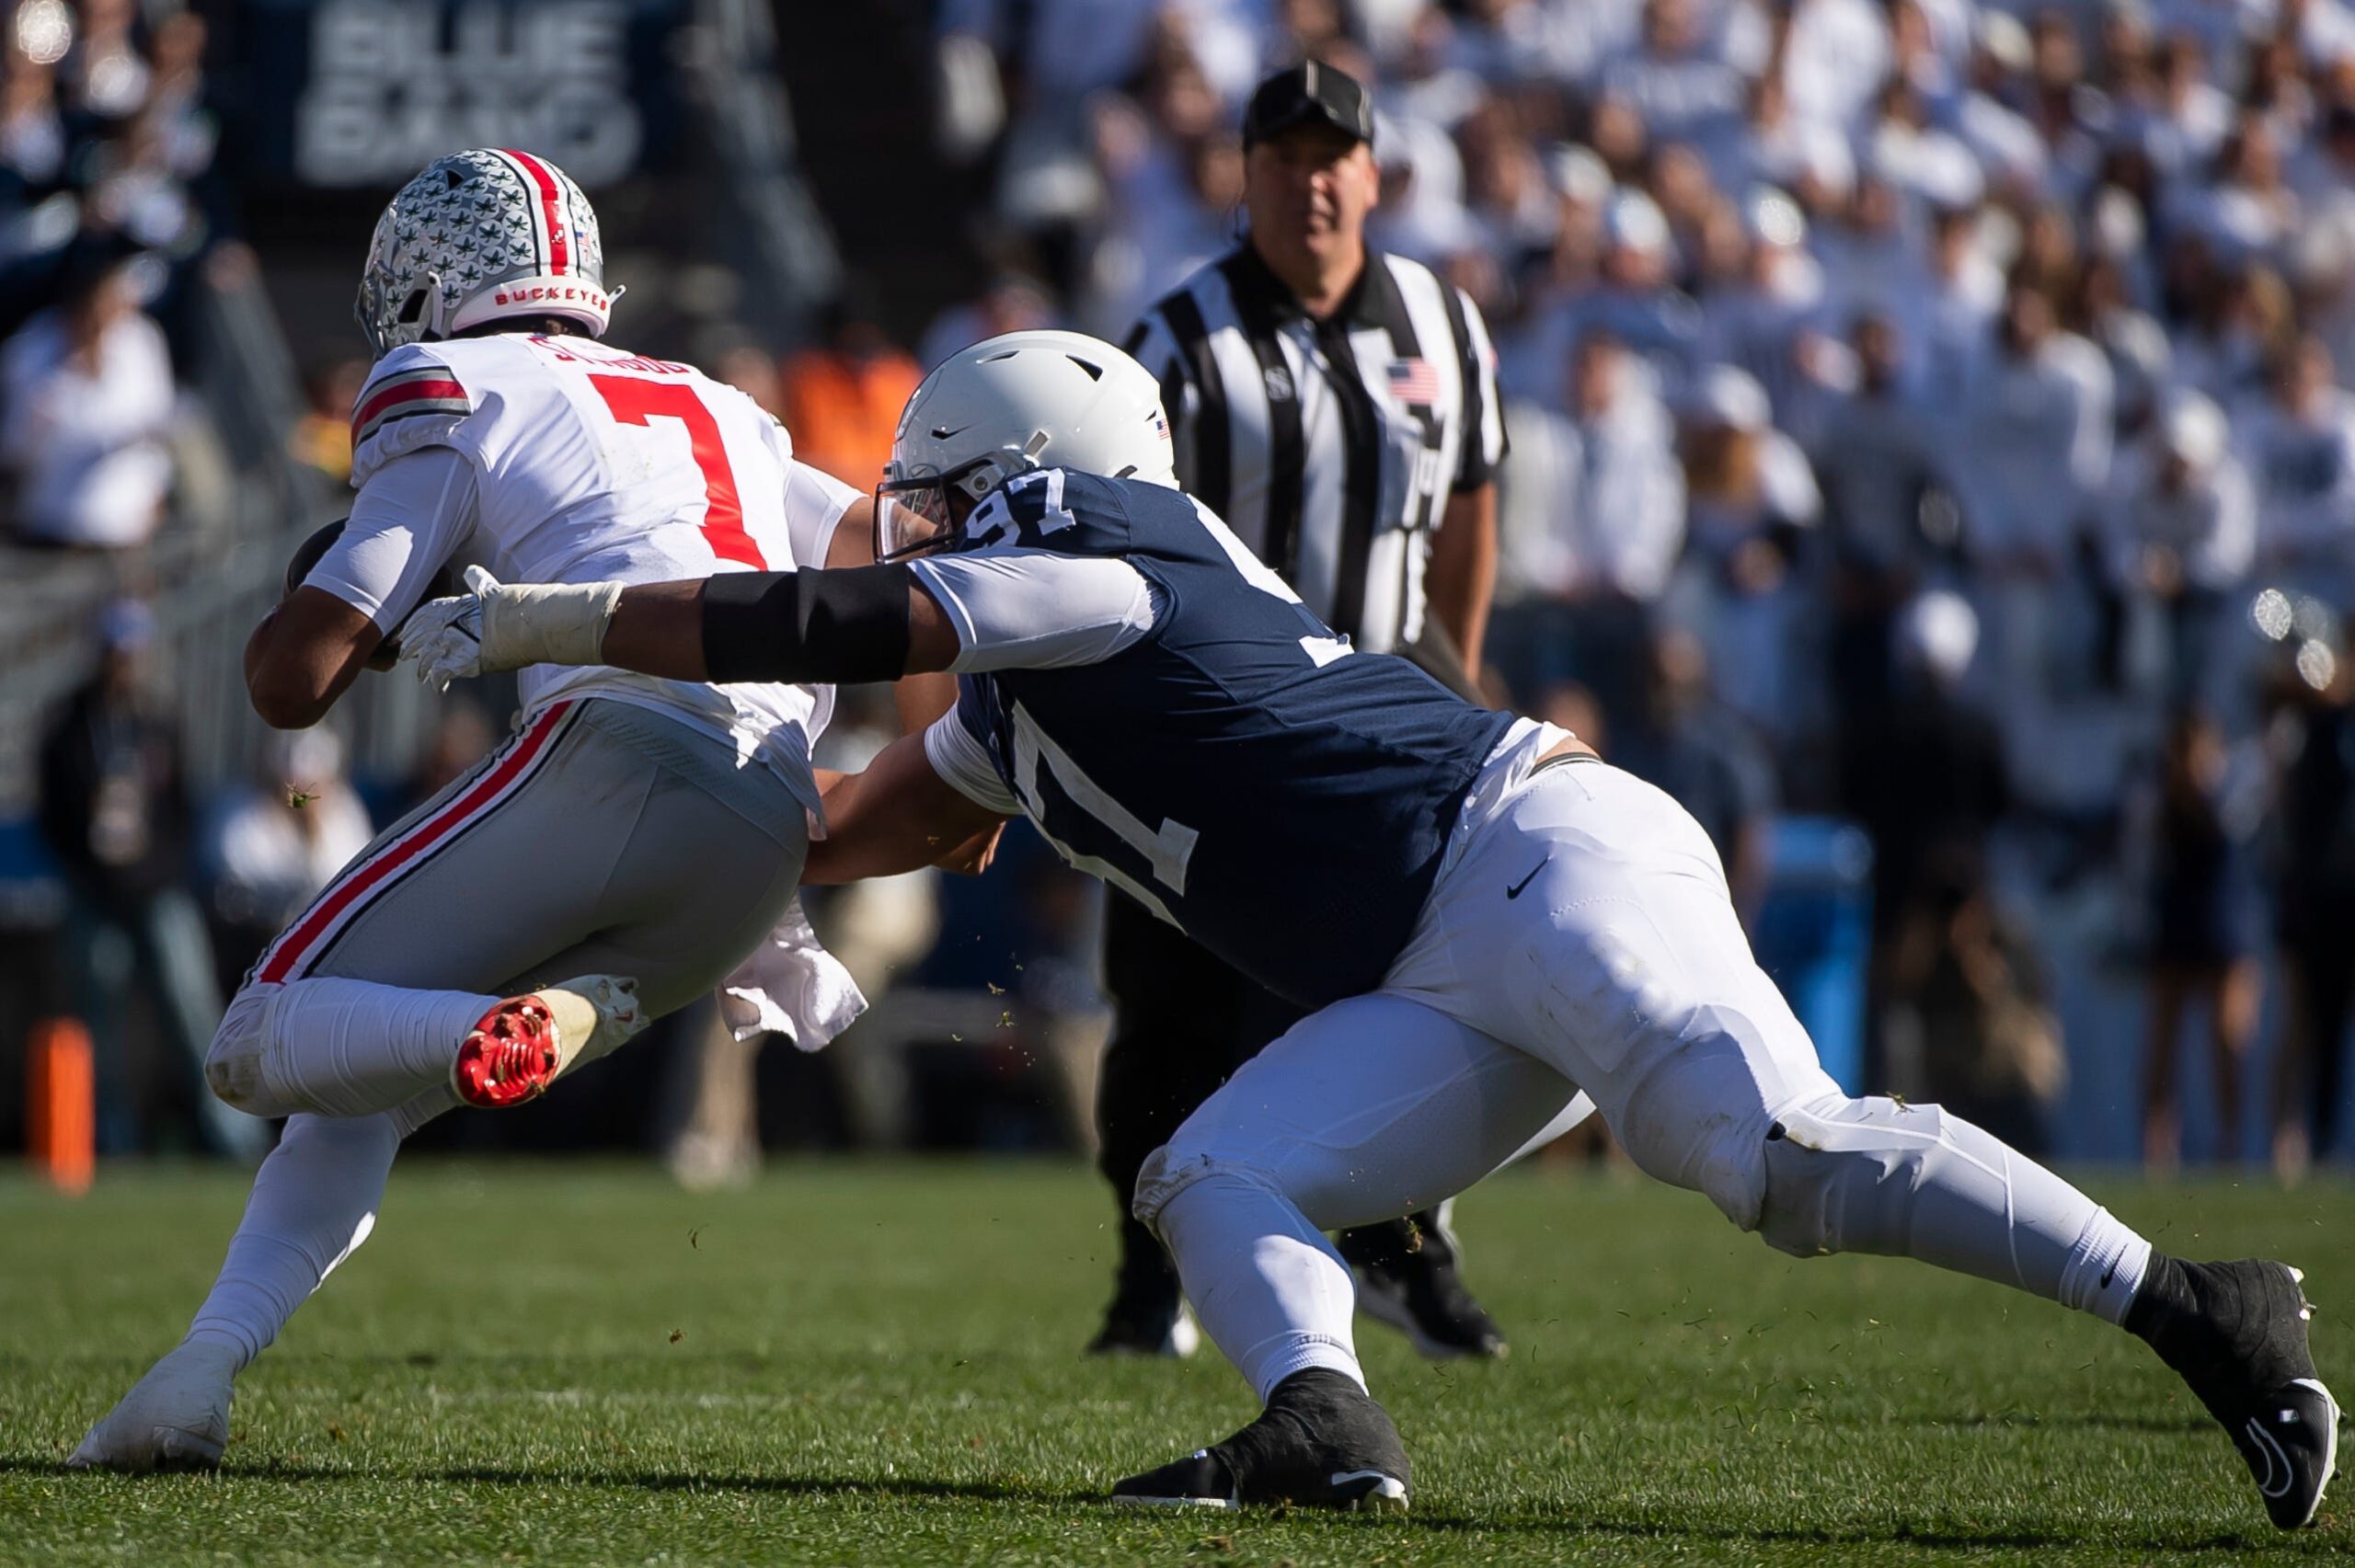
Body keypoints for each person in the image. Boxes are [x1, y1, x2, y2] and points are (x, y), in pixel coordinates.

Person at [411, 330, 2337, 1528]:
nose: (902, 527)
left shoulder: (1108, 562)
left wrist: (539, 621)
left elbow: (831, 632)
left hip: (1525, 853)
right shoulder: (1022, 682)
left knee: (1775, 1160)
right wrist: (658, 909)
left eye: (928, 496)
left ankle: (2199, 1308)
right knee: (1213, 1168)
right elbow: (838, 821)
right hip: (1431, 950)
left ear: (1011, 474)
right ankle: (1319, 1427)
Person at [68, 149, 879, 1474]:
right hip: (760, 839)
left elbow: (292, 679)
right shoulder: (721, 404)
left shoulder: (451, 378)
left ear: (439, 288)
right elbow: (889, 553)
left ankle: (492, 1034)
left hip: (618, 752)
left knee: (260, 1035)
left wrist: (347, 578)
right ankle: (193, 1375)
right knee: (351, 1089)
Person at [1095, 60, 1515, 1358]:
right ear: (1246, 175)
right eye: (1284, 156)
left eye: (1335, 156)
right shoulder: (1176, 339)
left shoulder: (1444, 325)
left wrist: (1451, 681)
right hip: (1214, 728)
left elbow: (1472, 512)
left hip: (1384, 721)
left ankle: (1405, 1248)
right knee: (1171, 1004)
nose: (1312, 179)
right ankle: (1146, 1274)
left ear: (1374, 175)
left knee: (1411, 996)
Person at [37, 599, 258, 1160]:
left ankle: (230, 1135)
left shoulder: (157, 723)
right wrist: (93, 875)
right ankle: (106, 1138)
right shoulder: (69, 727)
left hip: (157, 892)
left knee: (191, 1009)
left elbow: (180, 814)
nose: (125, 664)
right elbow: (54, 818)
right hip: (95, 895)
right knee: (96, 1020)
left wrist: (157, 872)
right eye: (117, 653)